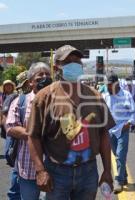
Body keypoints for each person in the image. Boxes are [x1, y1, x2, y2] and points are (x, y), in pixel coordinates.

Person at [26, 45, 115, 200]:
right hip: (56, 172)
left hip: (88, 171)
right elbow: (33, 137)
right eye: (67, 61)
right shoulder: (44, 97)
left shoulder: (94, 96)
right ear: (56, 67)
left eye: (76, 60)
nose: (73, 64)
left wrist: (107, 170)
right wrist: (40, 171)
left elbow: (104, 135)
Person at [6, 62, 52, 200]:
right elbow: (10, 127)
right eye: (40, 75)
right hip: (28, 170)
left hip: (55, 169)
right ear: (31, 82)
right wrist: (34, 135)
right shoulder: (21, 102)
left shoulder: (59, 101)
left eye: (47, 74)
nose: (45, 77)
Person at [104, 74, 135, 193]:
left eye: (110, 85)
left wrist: (128, 124)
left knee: (120, 155)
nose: (108, 87)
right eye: (107, 85)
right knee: (117, 156)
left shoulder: (126, 95)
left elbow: (133, 112)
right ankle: (124, 176)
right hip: (110, 131)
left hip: (123, 129)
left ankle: (119, 180)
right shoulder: (106, 96)